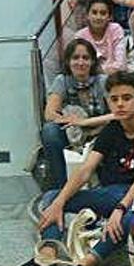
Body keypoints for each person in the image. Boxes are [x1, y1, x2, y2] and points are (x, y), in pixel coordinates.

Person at [0, 72, 134, 266]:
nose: (120, 104)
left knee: (131, 217)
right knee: (51, 198)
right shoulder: (112, 129)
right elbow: (86, 169)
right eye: (114, 99)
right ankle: (47, 258)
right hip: (109, 194)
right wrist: (59, 202)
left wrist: (120, 208)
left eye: (126, 98)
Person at [41, 39, 113, 190]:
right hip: (72, 131)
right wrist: (72, 121)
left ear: (93, 62)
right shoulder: (62, 81)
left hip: (101, 130)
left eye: (85, 58)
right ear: (68, 61)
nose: (80, 62)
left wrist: (87, 123)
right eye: (75, 58)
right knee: (49, 131)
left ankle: (105, 186)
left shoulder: (103, 81)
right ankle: (60, 189)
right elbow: (49, 113)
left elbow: (116, 114)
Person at [73, 0, 128, 74]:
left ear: (110, 17)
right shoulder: (80, 36)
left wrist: (98, 71)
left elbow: (121, 65)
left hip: (116, 77)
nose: (98, 17)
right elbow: (82, 66)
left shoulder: (116, 29)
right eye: (94, 12)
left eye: (103, 13)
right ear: (87, 16)